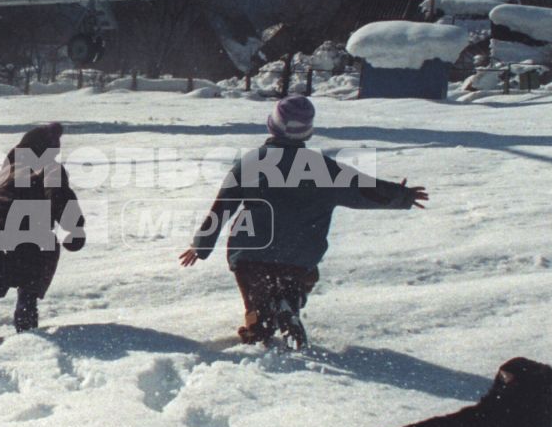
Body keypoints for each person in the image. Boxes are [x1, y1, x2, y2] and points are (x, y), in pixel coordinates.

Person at [178, 95, 426, 348]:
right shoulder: (323, 168)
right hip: (299, 255)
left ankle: (259, 324)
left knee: (258, 303)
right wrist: (402, 196)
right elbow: (363, 190)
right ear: (307, 131)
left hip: (251, 253)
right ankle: (288, 308)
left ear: (272, 125)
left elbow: (223, 206)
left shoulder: (252, 163)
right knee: (292, 283)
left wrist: (202, 245)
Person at [0, 122, 85, 344]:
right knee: (30, 280)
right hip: (28, 238)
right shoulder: (50, 169)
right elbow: (58, 195)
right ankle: (26, 324)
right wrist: (73, 227)